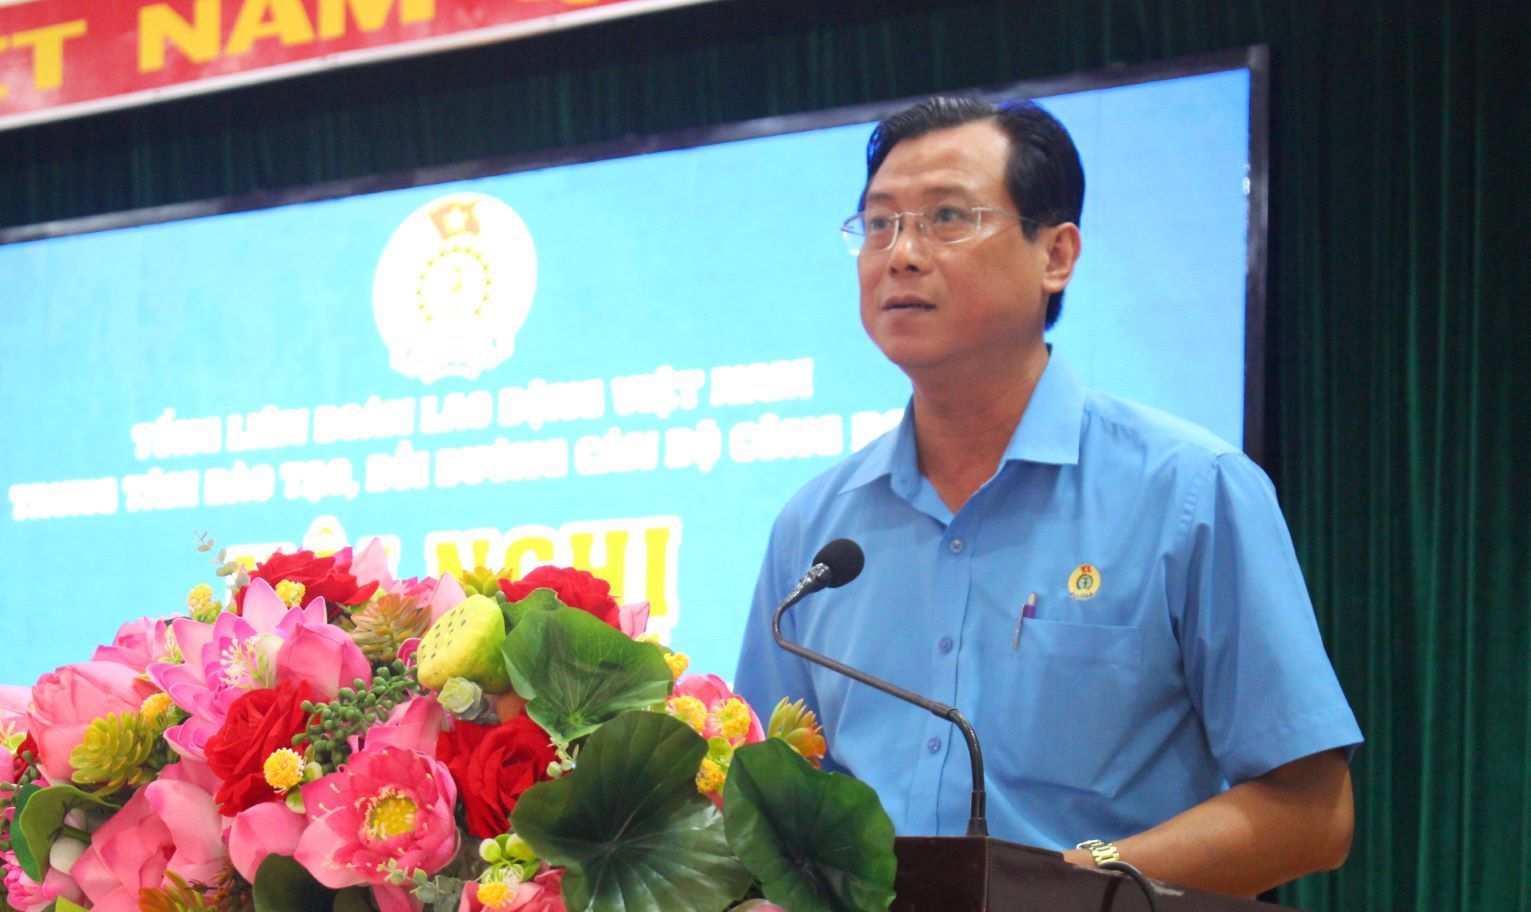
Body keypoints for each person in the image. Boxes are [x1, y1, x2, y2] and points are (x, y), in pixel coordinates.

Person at [732, 96, 1362, 897]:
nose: (901, 254)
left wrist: (1064, 884)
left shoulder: (1189, 491)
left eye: (947, 218)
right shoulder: (816, 529)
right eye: (880, 224)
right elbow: (756, 800)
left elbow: (1309, 812)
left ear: (1055, 254)